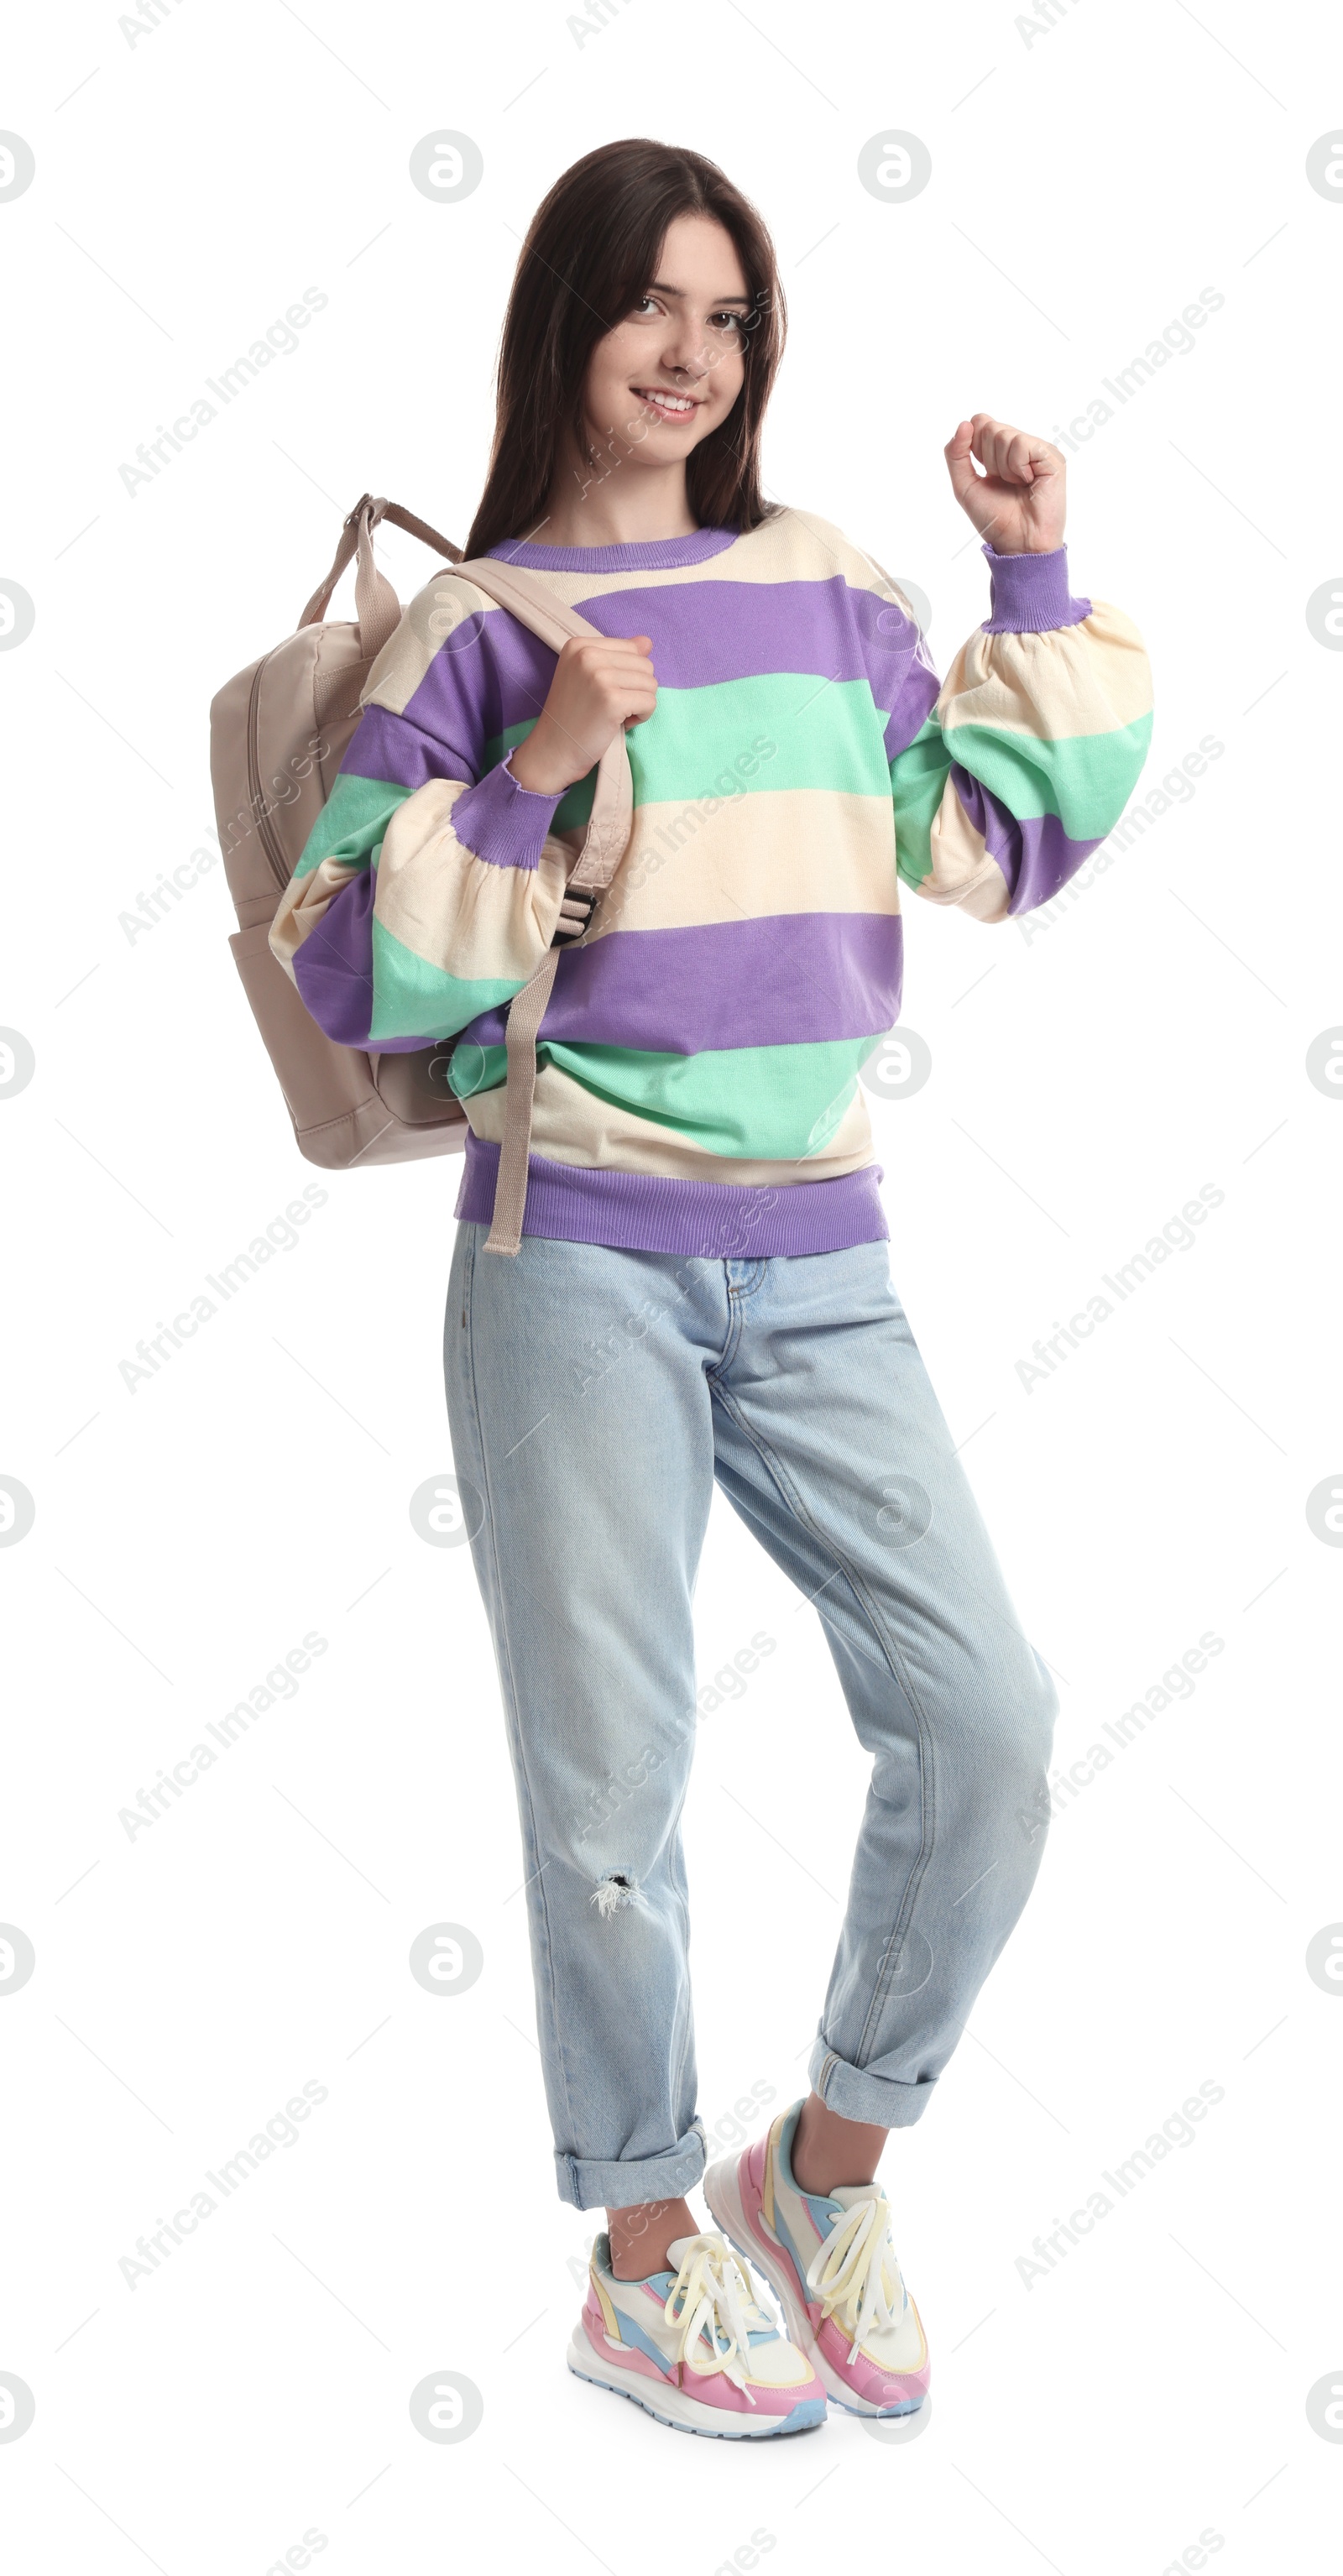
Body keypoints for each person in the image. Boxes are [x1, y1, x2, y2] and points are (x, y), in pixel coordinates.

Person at [271, 138, 1152, 2438]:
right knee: (608, 1798)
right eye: (654, 305)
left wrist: (1031, 566)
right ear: (564, 322)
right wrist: (540, 766)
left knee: (985, 1720)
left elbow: (990, 837)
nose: (692, 352)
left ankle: (822, 2166)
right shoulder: (475, 634)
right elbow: (348, 955)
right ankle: (645, 2248)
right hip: (571, 1261)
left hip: (824, 1257)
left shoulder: (838, 594)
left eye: (732, 315)